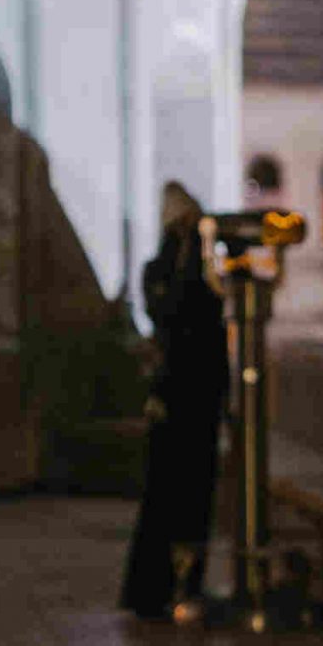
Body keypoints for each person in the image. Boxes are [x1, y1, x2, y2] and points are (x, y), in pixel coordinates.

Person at [121, 182, 231, 622]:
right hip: (181, 395)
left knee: (189, 495)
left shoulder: (181, 273)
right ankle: (162, 587)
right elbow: (175, 313)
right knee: (174, 495)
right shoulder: (172, 275)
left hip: (187, 396)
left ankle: (181, 586)